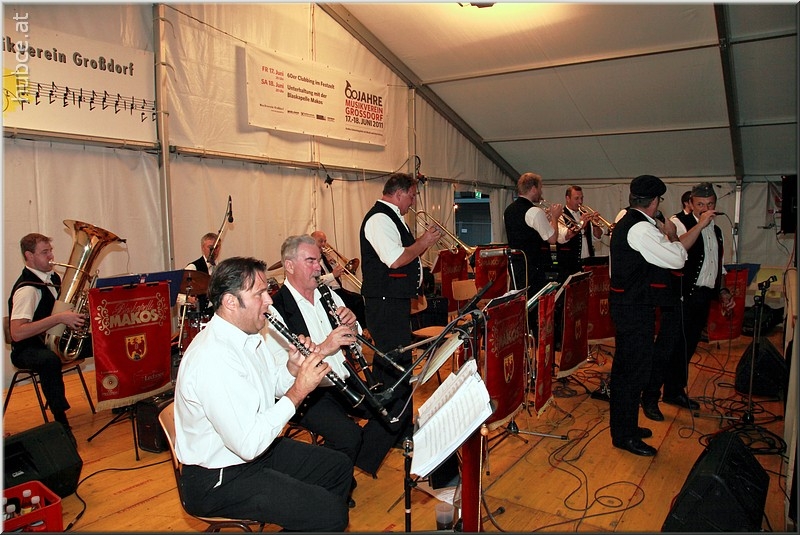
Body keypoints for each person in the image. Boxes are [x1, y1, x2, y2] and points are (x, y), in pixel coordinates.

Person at [173, 256, 352, 531]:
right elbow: (248, 444)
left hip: (253, 454)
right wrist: (299, 391)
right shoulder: (213, 358)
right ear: (230, 302)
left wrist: (293, 369)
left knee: (338, 466)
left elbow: (272, 385)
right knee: (332, 514)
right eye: (259, 294)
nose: (269, 301)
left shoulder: (248, 335)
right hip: (219, 477)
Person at [266, 236, 399, 491]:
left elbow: (354, 342)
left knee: (395, 409)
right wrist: (327, 345)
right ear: (289, 266)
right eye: (311, 261)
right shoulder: (275, 310)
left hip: (344, 379)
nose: (319, 267)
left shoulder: (329, 296)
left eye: (318, 261)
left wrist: (353, 326)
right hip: (309, 393)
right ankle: (335, 478)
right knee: (349, 436)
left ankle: (338, 467)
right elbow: (283, 370)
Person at [608, 175, 693, 456]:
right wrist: (671, 234)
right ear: (655, 202)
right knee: (632, 373)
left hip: (630, 306)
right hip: (633, 309)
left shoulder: (630, 221)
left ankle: (626, 428)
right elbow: (678, 258)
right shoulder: (641, 229)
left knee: (629, 371)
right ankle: (624, 435)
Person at [359, 172, 440, 444]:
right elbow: (394, 260)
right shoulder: (379, 219)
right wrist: (423, 243)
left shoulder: (392, 217)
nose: (413, 201)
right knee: (394, 365)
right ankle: (393, 429)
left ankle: (395, 425)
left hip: (393, 301)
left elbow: (405, 256)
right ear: (399, 193)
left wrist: (422, 248)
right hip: (384, 302)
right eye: (412, 196)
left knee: (395, 364)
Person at [641, 182, 732, 420]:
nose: (706, 209)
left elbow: (717, 264)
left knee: (687, 347)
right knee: (666, 348)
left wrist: (722, 290)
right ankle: (649, 396)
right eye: (700, 204)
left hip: (702, 296)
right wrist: (700, 224)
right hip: (680, 295)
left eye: (710, 204)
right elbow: (676, 248)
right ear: (690, 203)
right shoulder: (679, 222)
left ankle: (674, 390)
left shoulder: (717, 230)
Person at [7, 233, 87, 443]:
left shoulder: (53, 278)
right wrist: (59, 318)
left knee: (101, 341)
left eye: (50, 250)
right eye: (45, 252)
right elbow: (17, 332)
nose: (51, 256)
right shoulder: (27, 290)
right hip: (27, 349)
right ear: (29, 256)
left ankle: (117, 398)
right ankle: (61, 423)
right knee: (49, 361)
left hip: (51, 341)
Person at [503, 172, 562, 332]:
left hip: (516, 266)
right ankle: (534, 338)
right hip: (533, 267)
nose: (541, 192)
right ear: (534, 188)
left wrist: (545, 220)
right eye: (540, 188)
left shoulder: (509, 210)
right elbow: (552, 239)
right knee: (534, 307)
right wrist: (555, 218)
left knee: (520, 304)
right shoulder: (534, 211)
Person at [310, 230, 367, 327]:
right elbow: (316, 280)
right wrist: (333, 275)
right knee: (356, 301)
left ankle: (362, 329)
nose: (324, 244)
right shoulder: (311, 259)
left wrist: (333, 264)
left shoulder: (325, 257)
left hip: (337, 289)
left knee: (359, 298)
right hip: (325, 292)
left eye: (325, 241)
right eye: (320, 241)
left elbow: (337, 277)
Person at [556, 185, 604, 281]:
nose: (580, 202)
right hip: (569, 265)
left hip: (588, 263)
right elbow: (563, 237)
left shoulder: (584, 214)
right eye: (576, 198)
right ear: (567, 198)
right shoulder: (561, 215)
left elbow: (597, 237)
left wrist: (595, 224)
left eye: (582, 198)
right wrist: (581, 224)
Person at [176, 232, 220, 312]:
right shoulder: (193, 267)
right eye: (210, 247)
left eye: (216, 247)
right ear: (203, 248)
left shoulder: (220, 268)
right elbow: (177, 291)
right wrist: (188, 299)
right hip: (198, 315)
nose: (213, 251)